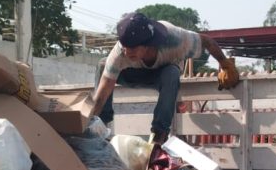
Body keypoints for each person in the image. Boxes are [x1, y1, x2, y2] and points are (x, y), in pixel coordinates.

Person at [90, 12, 240, 146]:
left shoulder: (175, 40)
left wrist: (225, 64)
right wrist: (90, 124)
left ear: (148, 44)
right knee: (103, 65)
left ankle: (158, 138)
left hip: (162, 75)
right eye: (124, 47)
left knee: (171, 73)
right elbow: (103, 91)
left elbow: (207, 41)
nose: (128, 52)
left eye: (134, 49)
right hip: (133, 74)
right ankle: (100, 129)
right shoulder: (120, 53)